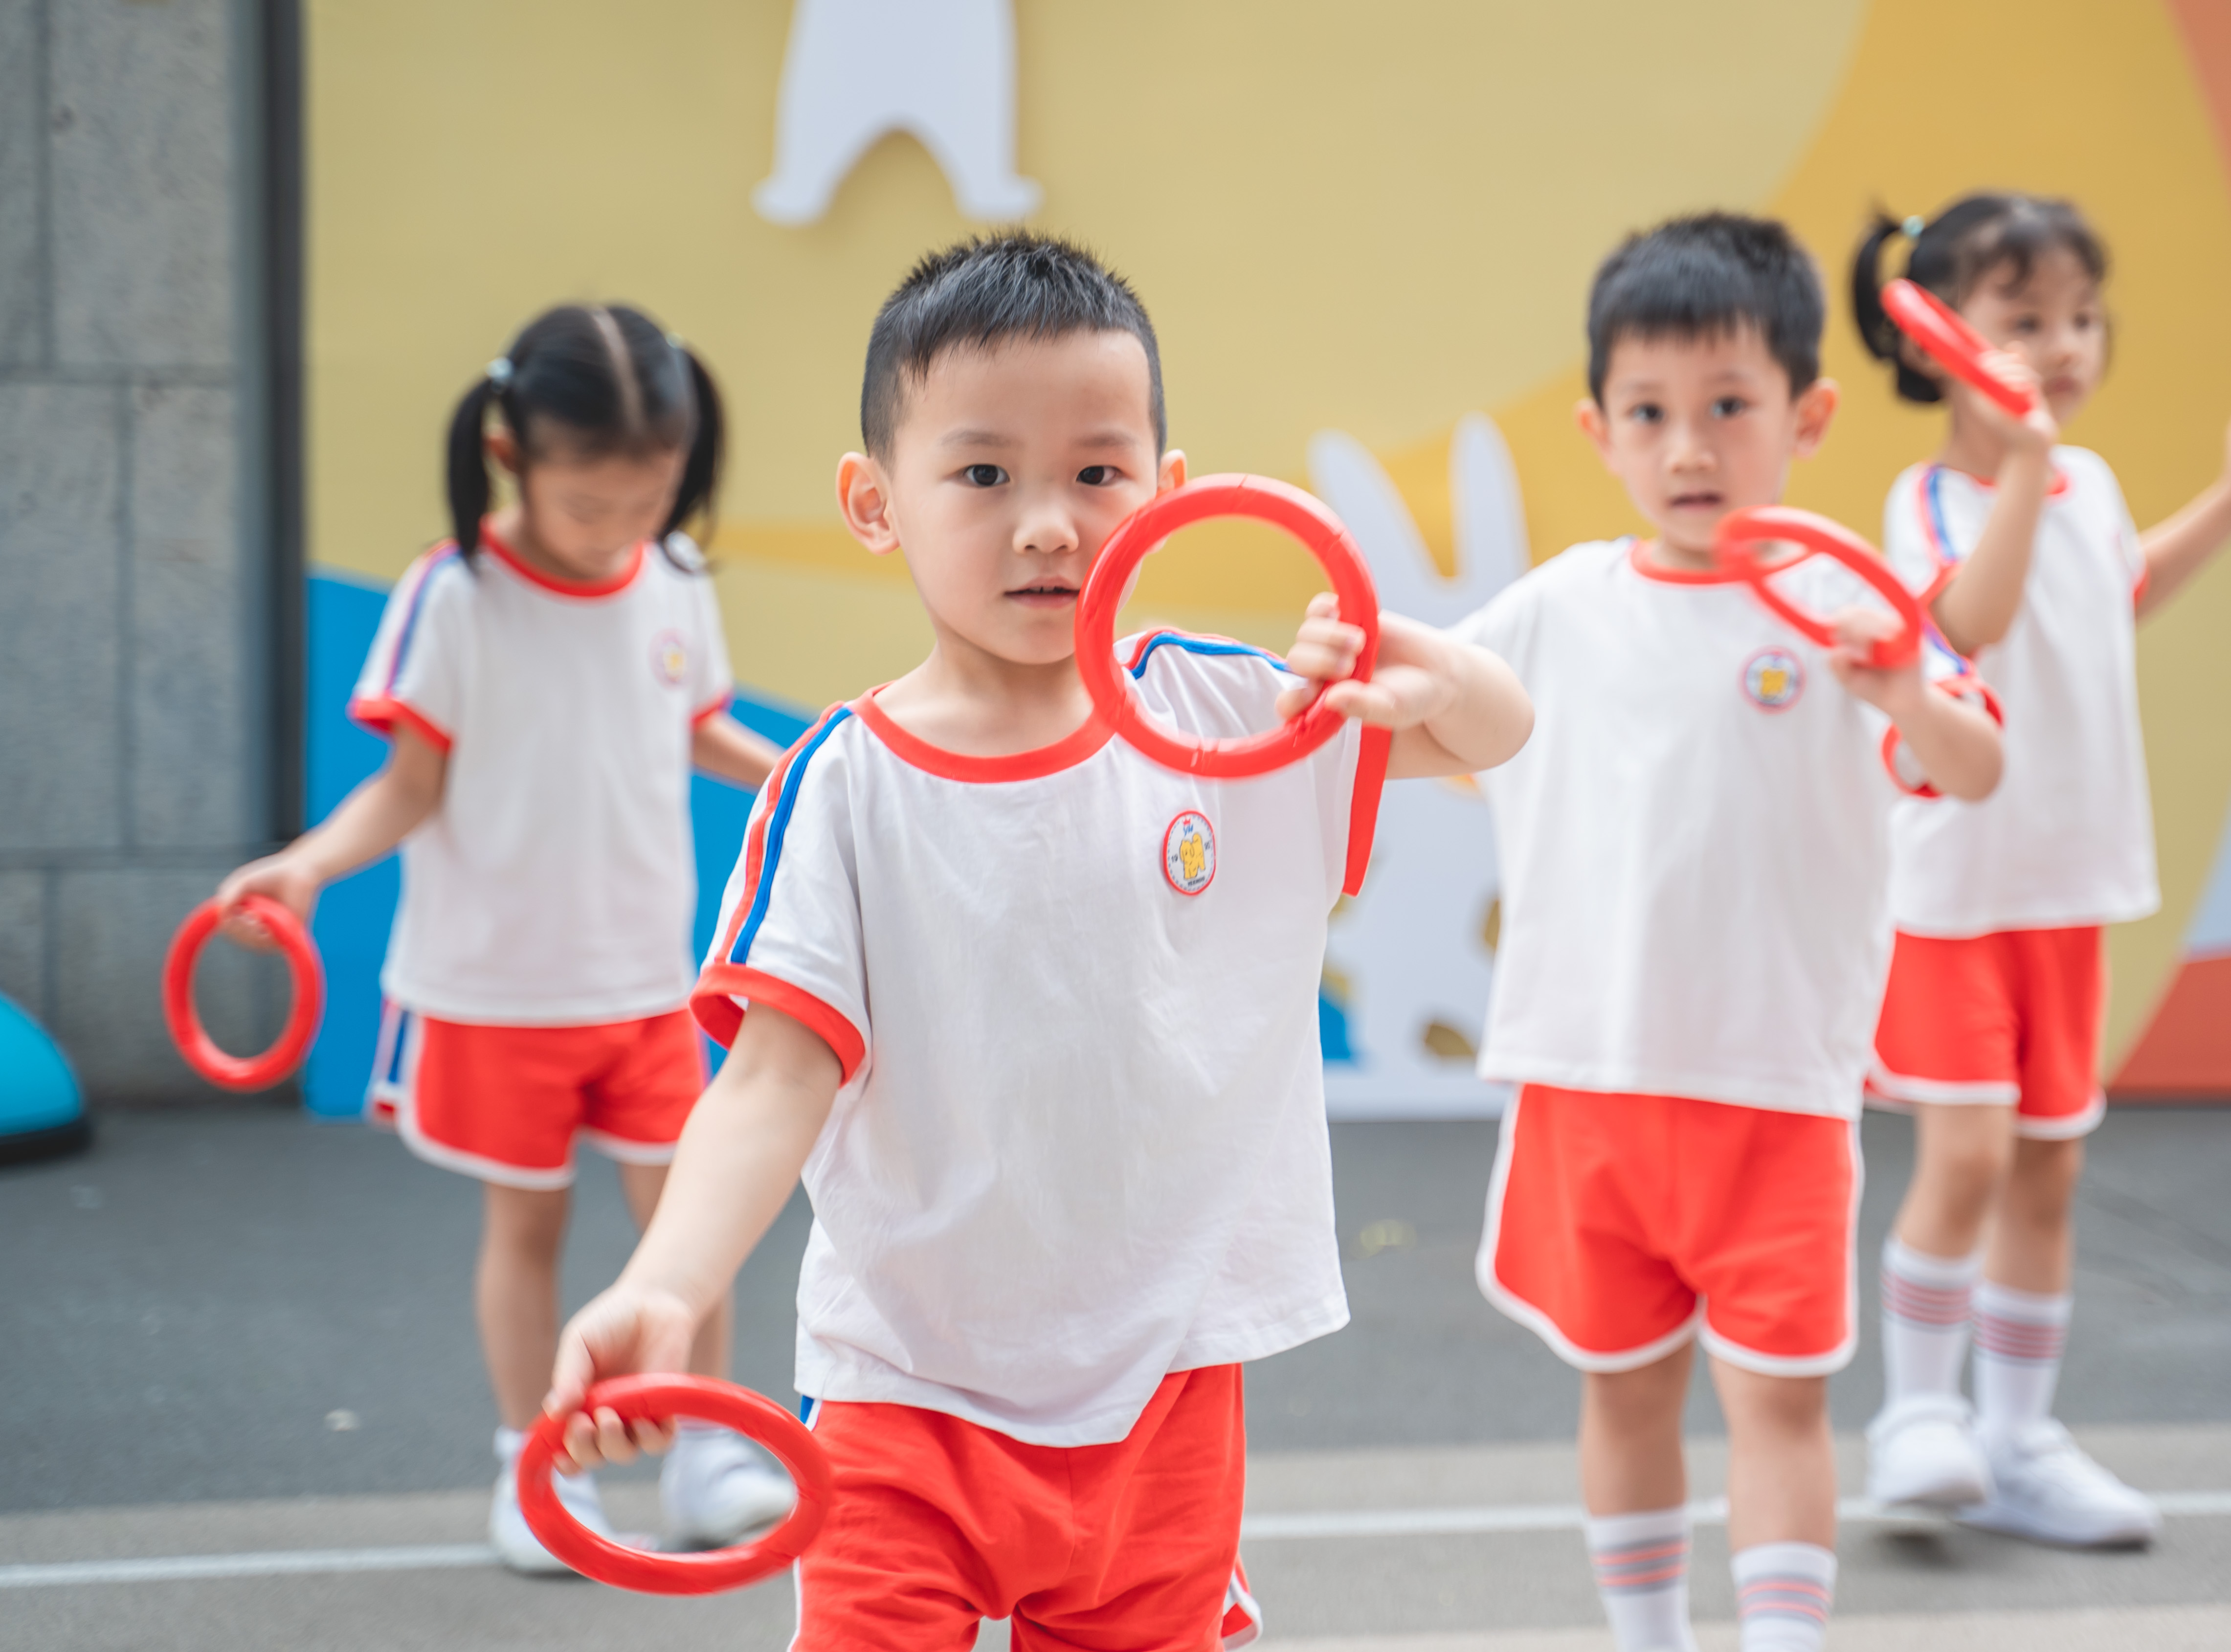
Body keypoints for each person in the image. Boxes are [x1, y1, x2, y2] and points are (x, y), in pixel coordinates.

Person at [541, 233, 1533, 1649]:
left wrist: (1446, 668)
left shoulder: (1228, 721)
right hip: (905, 1391)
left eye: (1097, 471)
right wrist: (664, 1286)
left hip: (1163, 1386)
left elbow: (1489, 733)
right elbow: (772, 1078)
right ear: (875, 503)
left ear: (1169, 497)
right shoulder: (845, 784)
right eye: (986, 472)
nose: (1050, 521)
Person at [1457, 214, 2004, 1652]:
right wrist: (1353, 666)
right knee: (1624, 1387)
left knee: (1780, 1398)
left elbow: (1975, 763)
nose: (1687, 446)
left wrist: (1901, 690)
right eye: (1649, 413)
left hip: (1777, 1090)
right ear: (1599, 427)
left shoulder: (1846, 603)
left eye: (1727, 407)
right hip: (1590, 1079)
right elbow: (1431, 709)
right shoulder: (1559, 608)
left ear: (1807, 415)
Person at [215, 304, 793, 1572]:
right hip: (497, 993)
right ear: (509, 453)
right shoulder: (455, 599)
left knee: (696, 1219)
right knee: (525, 1233)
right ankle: (537, 1476)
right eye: (591, 505)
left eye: (649, 500)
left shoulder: (675, 580)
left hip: (651, 979)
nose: (620, 533)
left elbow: (698, 728)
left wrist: (818, 776)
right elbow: (407, 787)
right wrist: (306, 868)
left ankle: (706, 1453)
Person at [1849, 193, 2231, 1546]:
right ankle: (1918, 1416)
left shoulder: (2089, 487)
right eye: (2025, 318)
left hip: (2070, 892)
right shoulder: (1926, 500)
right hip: (1953, 897)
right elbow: (1968, 625)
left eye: (2082, 317)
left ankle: (2023, 1438)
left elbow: (2117, 588)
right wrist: (2033, 470)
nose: (2064, 345)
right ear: (1938, 340)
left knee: (2049, 1170)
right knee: (1972, 1153)